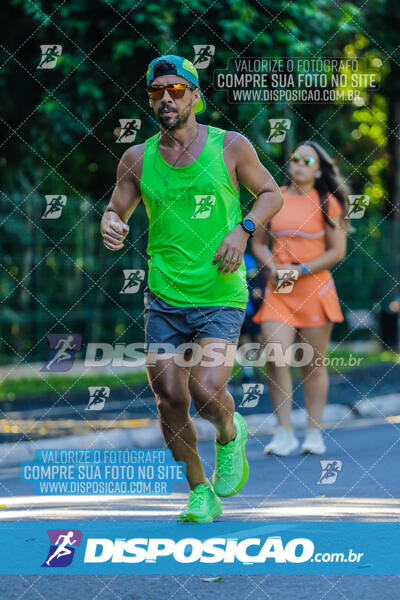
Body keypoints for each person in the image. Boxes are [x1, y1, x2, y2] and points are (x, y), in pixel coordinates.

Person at [100, 55, 283, 522]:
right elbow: (116, 208)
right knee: (169, 397)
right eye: (156, 91)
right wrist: (111, 223)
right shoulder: (137, 158)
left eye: (176, 90)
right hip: (164, 297)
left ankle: (228, 430)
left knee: (205, 389)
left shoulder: (230, 147)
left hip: (220, 293)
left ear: (196, 96)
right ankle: (199, 489)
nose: (165, 98)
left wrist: (242, 230)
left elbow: (271, 193)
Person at [252, 141, 349, 456]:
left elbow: (337, 251)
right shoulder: (274, 198)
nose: (299, 163)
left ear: (318, 169)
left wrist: (300, 270)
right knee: (276, 357)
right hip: (279, 291)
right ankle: (283, 433)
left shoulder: (327, 202)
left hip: (315, 290)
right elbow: (259, 244)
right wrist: (275, 269)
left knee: (311, 364)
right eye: (295, 158)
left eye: (307, 160)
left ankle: (313, 433)